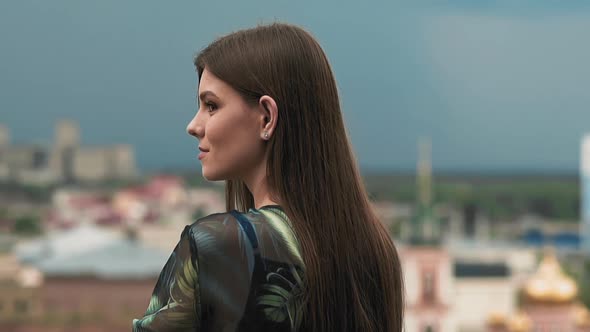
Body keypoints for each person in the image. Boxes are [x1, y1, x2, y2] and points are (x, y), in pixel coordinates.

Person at [132, 23, 404, 332]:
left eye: (211, 105)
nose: (193, 125)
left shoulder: (218, 245)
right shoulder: (376, 249)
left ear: (267, 117)